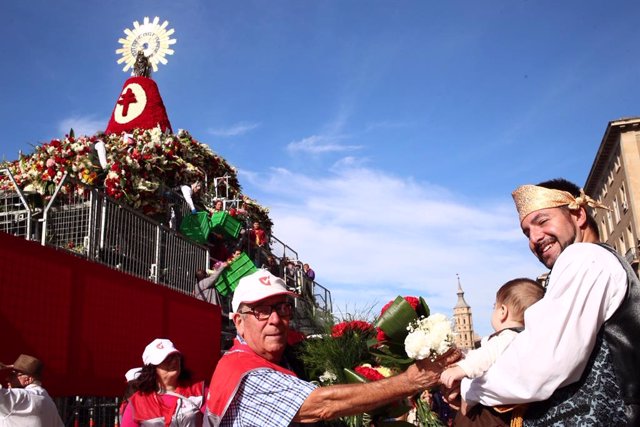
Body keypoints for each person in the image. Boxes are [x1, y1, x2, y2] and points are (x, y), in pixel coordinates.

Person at [460, 178, 639, 425]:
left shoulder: (583, 258)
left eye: (542, 221)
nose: (534, 238)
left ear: (577, 215)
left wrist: (472, 388)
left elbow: (542, 364)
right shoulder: (597, 259)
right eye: (527, 233)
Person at [204, 269, 460, 426]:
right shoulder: (242, 371)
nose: (275, 319)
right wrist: (410, 381)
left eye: (282, 308)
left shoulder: (287, 356)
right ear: (239, 322)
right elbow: (321, 404)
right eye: (261, 311)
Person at [441, 278, 544, 425]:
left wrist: (460, 369)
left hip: (487, 417)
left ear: (503, 311)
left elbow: (486, 356)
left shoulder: (507, 337)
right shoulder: (525, 338)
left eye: (494, 306)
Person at [121, 338, 206, 426]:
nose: (174, 361)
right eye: (166, 359)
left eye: (175, 356)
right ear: (152, 368)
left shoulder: (199, 390)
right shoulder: (137, 402)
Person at [0, 354, 64, 426]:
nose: (7, 378)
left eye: (13, 374)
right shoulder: (49, 402)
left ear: (28, 379)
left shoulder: (21, 398)